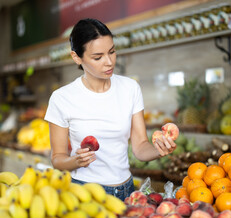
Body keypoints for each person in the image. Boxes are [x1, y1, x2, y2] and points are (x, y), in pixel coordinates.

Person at [44, 18, 177, 201]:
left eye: (112, 52)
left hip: (127, 190)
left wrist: (159, 148)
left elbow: (139, 148)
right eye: (98, 57)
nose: (109, 62)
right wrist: (75, 161)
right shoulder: (62, 98)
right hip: (85, 193)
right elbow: (57, 159)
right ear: (77, 57)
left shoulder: (130, 88)